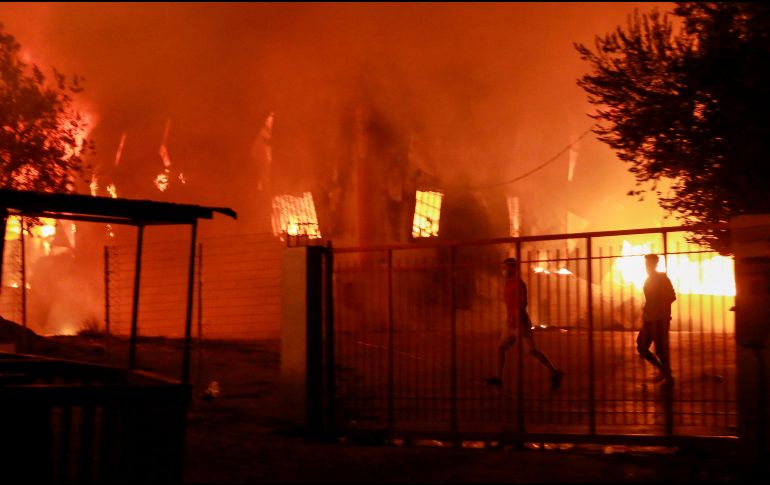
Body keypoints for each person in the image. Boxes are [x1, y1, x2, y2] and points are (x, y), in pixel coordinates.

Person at [485, 257, 563, 390]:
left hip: (521, 322)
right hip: (510, 323)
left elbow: (522, 303)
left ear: (513, 268)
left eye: (506, 268)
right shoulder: (508, 283)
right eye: (503, 268)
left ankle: (554, 372)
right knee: (501, 347)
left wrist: (516, 318)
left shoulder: (519, 284)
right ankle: (498, 378)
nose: (503, 270)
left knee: (531, 350)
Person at [637, 253, 677, 384]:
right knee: (641, 346)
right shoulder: (648, 279)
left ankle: (667, 375)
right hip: (649, 319)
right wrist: (646, 309)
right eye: (646, 264)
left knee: (660, 349)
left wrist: (658, 308)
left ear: (655, 264)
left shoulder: (662, 278)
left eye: (649, 264)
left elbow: (672, 296)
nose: (647, 266)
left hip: (660, 319)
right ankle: (664, 371)